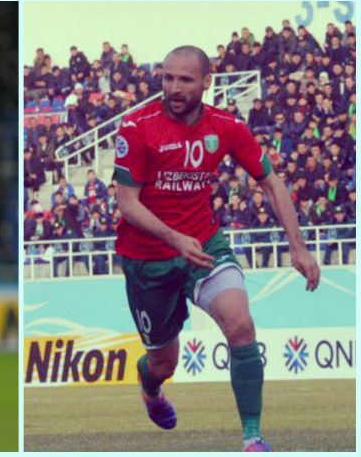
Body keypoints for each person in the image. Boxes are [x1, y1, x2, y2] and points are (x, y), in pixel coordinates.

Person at [113, 45, 319, 452]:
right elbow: (127, 203)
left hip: (205, 245)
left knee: (241, 325)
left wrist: (298, 247)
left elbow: (272, 182)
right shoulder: (137, 126)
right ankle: (149, 385)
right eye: (168, 77)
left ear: (207, 82)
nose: (173, 87)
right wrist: (173, 238)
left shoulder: (226, 126)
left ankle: (253, 438)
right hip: (148, 259)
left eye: (185, 79)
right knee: (163, 362)